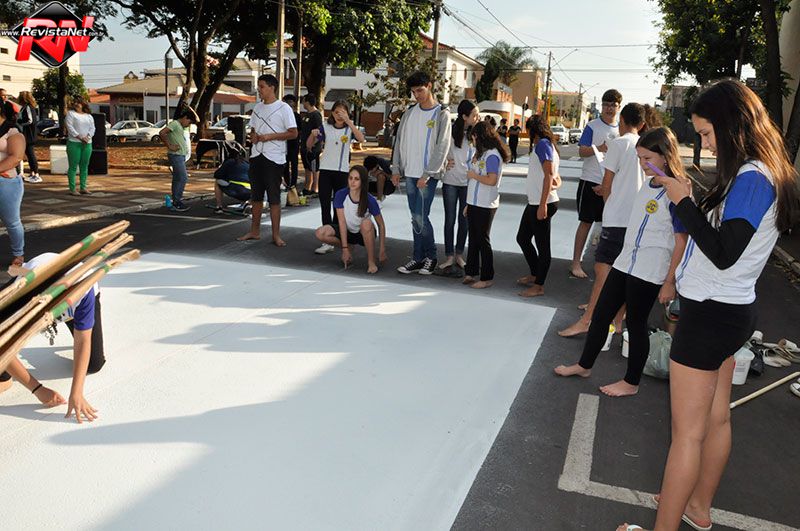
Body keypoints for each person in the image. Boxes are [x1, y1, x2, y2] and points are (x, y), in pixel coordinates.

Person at [616, 80, 799, 531]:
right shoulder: (758, 173)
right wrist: (690, 201)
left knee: (687, 435)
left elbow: (722, 251)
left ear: (732, 124)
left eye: (707, 133)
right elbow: (724, 240)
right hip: (728, 312)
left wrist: (682, 202)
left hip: (711, 316)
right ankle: (697, 508)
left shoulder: (753, 178)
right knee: (714, 421)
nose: (705, 143)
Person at [555, 127, 689, 397]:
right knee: (601, 314)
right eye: (640, 158)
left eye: (648, 158)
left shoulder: (677, 190)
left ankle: (631, 382)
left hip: (650, 269)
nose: (643, 164)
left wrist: (669, 281)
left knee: (636, 324)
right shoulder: (649, 184)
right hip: (625, 261)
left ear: (666, 156)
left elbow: (682, 240)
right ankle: (584, 365)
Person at [560, 103, 646, 337]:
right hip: (636, 219)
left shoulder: (618, 143)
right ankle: (617, 321)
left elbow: (608, 182)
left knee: (603, 270)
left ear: (623, 120)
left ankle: (588, 319)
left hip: (617, 218)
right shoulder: (646, 145)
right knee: (624, 270)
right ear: (641, 124)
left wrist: (609, 203)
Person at [0, 252, 107, 423]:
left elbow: (83, 340)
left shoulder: (84, 291)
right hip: (32, 293)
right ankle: (5, 374)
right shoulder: (20, 295)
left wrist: (77, 392)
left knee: (94, 365)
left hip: (76, 303)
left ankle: (70, 317)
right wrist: (38, 389)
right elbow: (2, 345)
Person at [391, 70, 452, 275]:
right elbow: (399, 141)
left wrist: (427, 174)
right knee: (415, 217)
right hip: (410, 173)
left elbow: (442, 146)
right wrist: (396, 168)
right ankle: (417, 258)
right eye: (414, 92)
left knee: (420, 216)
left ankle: (431, 257)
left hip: (428, 176)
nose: (417, 95)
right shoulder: (409, 113)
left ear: (429, 86)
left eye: (420, 90)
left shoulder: (441, 113)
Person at [238, 74, 298, 246]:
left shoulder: (284, 108)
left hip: (274, 158)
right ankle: (254, 231)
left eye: (262, 86)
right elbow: (253, 129)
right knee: (256, 196)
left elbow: (293, 133)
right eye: (259, 86)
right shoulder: (257, 107)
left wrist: (270, 136)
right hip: (256, 155)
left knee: (274, 198)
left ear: (272, 88)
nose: (259, 90)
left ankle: (276, 235)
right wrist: (253, 136)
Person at [571, 88, 622, 278]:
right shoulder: (592, 126)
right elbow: (582, 151)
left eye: (613, 105)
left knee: (609, 225)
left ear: (619, 107)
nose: (609, 108)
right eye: (606, 105)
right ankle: (576, 263)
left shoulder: (621, 129)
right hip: (590, 180)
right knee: (585, 222)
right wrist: (598, 148)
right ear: (602, 106)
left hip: (612, 184)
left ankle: (604, 264)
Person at [307, 100, 366, 254]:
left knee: (338, 205)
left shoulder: (349, 129)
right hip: (326, 170)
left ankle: (338, 235)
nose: (339, 115)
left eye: (343, 112)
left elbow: (361, 139)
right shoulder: (325, 127)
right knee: (325, 204)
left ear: (347, 113)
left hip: (342, 172)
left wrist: (349, 122)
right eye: (336, 112)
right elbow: (309, 144)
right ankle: (327, 240)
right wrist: (312, 135)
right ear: (332, 113)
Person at [516, 115, 560, 297]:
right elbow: (555, 177)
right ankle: (535, 274)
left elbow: (549, 175)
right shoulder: (547, 145)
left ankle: (539, 286)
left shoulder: (542, 144)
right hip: (535, 202)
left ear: (533, 131)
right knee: (523, 238)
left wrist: (543, 205)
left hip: (542, 203)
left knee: (543, 247)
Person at [462, 121, 510, 289]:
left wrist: (473, 175)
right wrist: (469, 204)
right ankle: (471, 271)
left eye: (474, 137)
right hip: (475, 203)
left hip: (486, 204)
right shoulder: (481, 153)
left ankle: (487, 277)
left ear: (480, 137)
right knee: (473, 238)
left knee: (482, 240)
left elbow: (491, 180)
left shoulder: (492, 155)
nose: (473, 141)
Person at [314, 165, 387, 274]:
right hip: (348, 231)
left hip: (363, 233)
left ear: (363, 181)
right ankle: (349, 246)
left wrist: (382, 249)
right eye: (350, 178)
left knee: (366, 223)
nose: (352, 182)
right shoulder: (341, 195)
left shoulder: (369, 199)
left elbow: (381, 225)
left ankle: (371, 261)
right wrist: (344, 249)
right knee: (320, 233)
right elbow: (342, 222)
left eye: (356, 179)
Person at [440, 99, 479, 271]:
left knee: (464, 221)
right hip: (450, 182)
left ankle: (459, 254)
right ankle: (449, 255)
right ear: (464, 116)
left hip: (468, 183)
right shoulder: (449, 131)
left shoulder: (475, 134)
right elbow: (439, 150)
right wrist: (443, 164)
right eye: (474, 115)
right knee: (449, 220)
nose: (477, 118)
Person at [0, 102, 25, 267]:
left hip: (6, 182)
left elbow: (16, 157)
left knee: (12, 221)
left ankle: (19, 254)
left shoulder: (13, 131)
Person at [159, 107, 198, 212]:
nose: (188, 125)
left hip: (180, 155)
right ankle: (177, 201)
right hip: (176, 155)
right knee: (182, 178)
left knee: (177, 178)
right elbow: (162, 132)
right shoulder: (175, 124)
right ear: (185, 118)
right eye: (189, 122)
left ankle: (176, 200)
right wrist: (169, 145)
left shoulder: (179, 126)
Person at [65, 96, 95, 196]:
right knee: (73, 166)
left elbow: (92, 128)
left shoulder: (89, 116)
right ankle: (72, 188)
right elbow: (69, 127)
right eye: (75, 103)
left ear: (83, 104)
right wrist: (79, 137)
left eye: (78, 103)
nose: (76, 104)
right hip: (74, 143)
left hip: (87, 143)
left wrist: (88, 137)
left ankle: (83, 187)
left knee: (84, 166)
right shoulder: (71, 114)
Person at [299, 94, 323, 196]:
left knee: (314, 168)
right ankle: (307, 187)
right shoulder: (307, 115)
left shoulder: (316, 115)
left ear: (307, 102)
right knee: (307, 167)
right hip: (304, 147)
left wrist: (312, 144)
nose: (302, 103)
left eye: (303, 101)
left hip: (313, 148)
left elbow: (320, 132)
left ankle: (315, 188)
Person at [16, 91, 40, 184]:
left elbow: (30, 120)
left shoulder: (28, 107)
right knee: (29, 154)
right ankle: (32, 172)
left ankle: (36, 174)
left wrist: (20, 122)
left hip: (29, 134)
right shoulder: (25, 107)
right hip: (27, 134)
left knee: (31, 154)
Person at [282, 93, 301, 204]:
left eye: (291, 102)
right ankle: (287, 183)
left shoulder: (297, 116)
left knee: (294, 165)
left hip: (294, 144)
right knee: (285, 165)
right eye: (287, 102)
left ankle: (293, 185)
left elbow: (300, 131)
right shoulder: (282, 115)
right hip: (284, 144)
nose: (289, 104)